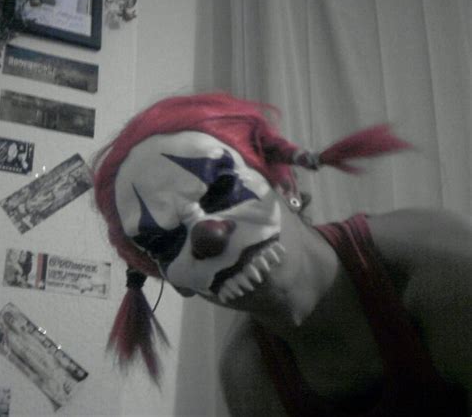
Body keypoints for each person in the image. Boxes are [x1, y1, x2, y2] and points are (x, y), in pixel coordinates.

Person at [92, 93, 471, 415]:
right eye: (164, 243)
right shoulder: (248, 375)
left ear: (285, 183)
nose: (208, 239)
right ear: (175, 282)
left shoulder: (438, 266)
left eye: (221, 190)